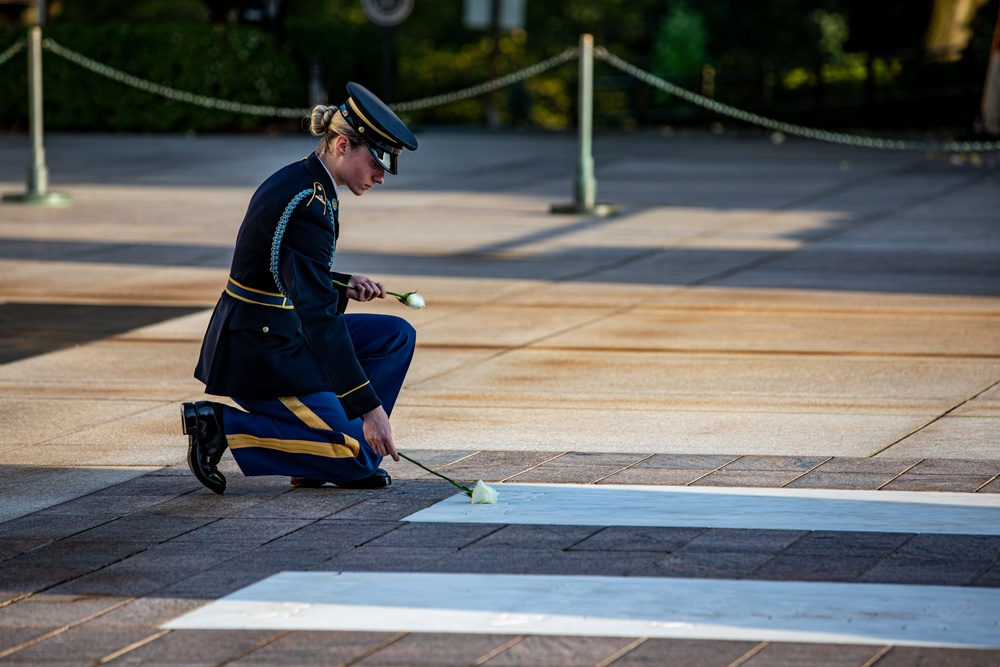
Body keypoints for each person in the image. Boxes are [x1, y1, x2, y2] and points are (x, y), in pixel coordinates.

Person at [182, 82, 418, 495]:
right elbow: (318, 318)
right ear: (343, 144)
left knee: (395, 336)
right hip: (260, 351)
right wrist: (370, 409)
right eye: (377, 161)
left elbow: (287, 268)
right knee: (359, 455)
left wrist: (343, 283)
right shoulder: (309, 202)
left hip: (278, 329)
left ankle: (316, 459)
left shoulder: (310, 182)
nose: (381, 176)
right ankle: (221, 427)